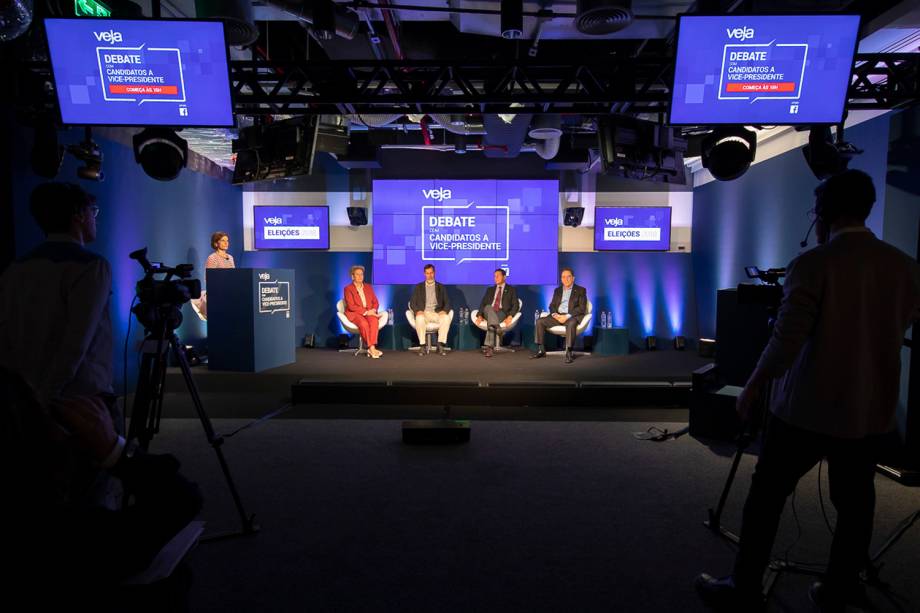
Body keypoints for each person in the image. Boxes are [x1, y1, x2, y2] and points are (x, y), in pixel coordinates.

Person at [695, 169, 920, 613]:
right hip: (867, 411)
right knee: (856, 504)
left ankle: (743, 587)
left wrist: (753, 385)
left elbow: (786, 339)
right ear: (868, 209)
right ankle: (841, 589)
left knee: (766, 498)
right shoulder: (905, 267)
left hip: (804, 410)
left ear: (821, 214)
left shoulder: (814, 264)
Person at [0, 182, 201, 606]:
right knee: (97, 489)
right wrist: (49, 397)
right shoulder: (90, 267)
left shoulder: (16, 268)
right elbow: (77, 340)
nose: (95, 218)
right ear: (78, 214)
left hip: (22, 402)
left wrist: (28, 398)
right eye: (93, 210)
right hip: (82, 401)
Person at [531, 267, 587, 364]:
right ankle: (541, 350)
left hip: (571, 317)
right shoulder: (557, 290)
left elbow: (581, 308)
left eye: (568, 277)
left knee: (571, 323)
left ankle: (569, 351)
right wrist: (555, 314)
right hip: (557, 316)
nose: (566, 279)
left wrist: (567, 316)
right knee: (539, 321)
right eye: (563, 277)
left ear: (573, 278)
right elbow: (552, 305)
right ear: (561, 279)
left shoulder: (581, 290)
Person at [191, 231, 235, 321]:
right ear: (216, 243)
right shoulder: (212, 258)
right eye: (223, 240)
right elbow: (209, 278)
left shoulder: (230, 257)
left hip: (230, 291)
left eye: (227, 240)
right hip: (218, 293)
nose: (226, 243)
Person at [475, 268, 519, 358]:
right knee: (488, 307)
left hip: (501, 313)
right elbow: (483, 303)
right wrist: (479, 315)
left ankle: (490, 348)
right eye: (494, 276)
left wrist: (510, 316)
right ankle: (498, 328)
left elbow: (516, 305)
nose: (495, 278)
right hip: (488, 311)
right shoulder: (490, 289)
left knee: (491, 324)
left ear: (504, 277)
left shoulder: (511, 290)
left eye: (498, 276)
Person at [409, 264, 451, 356]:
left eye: (431, 273)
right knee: (419, 318)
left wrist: (444, 310)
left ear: (434, 273)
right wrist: (417, 311)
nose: (430, 275)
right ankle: (422, 346)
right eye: (427, 273)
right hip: (424, 313)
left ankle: (440, 345)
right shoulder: (418, 287)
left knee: (446, 318)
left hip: (436, 313)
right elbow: (412, 303)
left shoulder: (441, 287)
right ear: (424, 274)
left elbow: (447, 302)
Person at [343, 265, 383, 359]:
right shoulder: (348, 289)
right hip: (355, 313)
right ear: (352, 276)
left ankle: (371, 348)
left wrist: (373, 310)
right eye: (358, 274)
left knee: (374, 321)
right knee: (363, 323)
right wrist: (366, 312)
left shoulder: (368, 287)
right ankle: (372, 348)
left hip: (369, 311)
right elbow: (351, 306)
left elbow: (375, 302)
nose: (360, 276)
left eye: (362, 274)